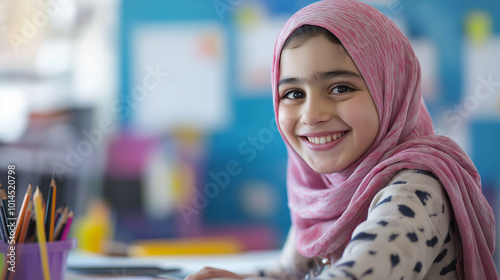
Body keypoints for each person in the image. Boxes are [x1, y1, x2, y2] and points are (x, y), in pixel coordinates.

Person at [187, 0, 498, 279]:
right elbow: (290, 271)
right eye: (293, 94)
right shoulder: (327, 191)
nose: (312, 115)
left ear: (390, 90)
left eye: (340, 88)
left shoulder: (416, 188)